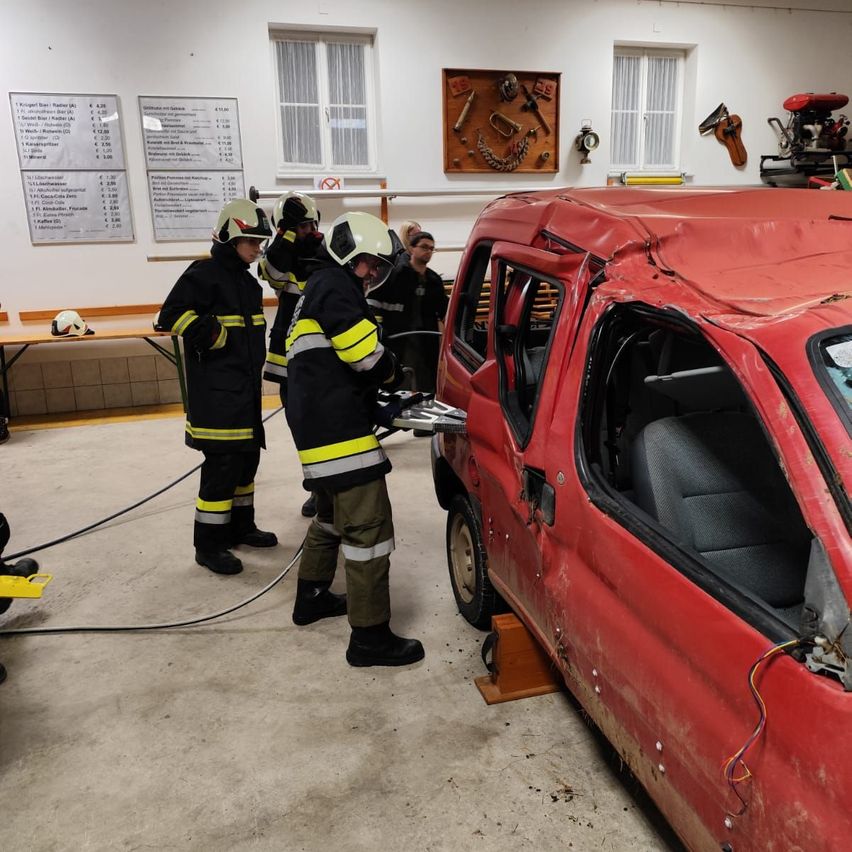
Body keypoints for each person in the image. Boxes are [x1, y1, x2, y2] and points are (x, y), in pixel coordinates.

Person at [285, 211, 425, 668]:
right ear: (347, 255)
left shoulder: (316, 288)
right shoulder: (335, 286)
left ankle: (311, 597)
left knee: (330, 517)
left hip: (318, 429)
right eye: (367, 263)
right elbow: (364, 355)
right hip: (339, 433)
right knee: (369, 532)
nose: (371, 274)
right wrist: (390, 371)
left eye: (378, 268)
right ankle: (370, 638)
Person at [159, 199, 278, 576]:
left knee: (247, 460)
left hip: (243, 393)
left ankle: (241, 527)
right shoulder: (203, 273)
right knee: (222, 466)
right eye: (252, 241)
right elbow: (171, 315)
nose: (258, 248)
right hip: (216, 396)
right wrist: (214, 334)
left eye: (260, 241)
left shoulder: (246, 281)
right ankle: (209, 545)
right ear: (230, 236)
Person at [258, 191, 323, 519]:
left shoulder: (326, 251)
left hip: (322, 358)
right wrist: (285, 238)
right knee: (300, 424)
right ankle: (314, 486)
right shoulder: (279, 256)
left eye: (310, 224)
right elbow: (271, 275)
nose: (307, 231)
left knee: (324, 423)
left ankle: (329, 487)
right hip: (288, 357)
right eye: (300, 227)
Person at [368, 231, 448, 394]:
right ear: (411, 248)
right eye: (424, 247)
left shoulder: (434, 281)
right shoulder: (395, 275)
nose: (428, 251)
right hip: (399, 341)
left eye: (432, 248)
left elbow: (444, 311)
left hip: (426, 344)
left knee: (427, 384)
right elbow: (373, 302)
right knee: (400, 383)